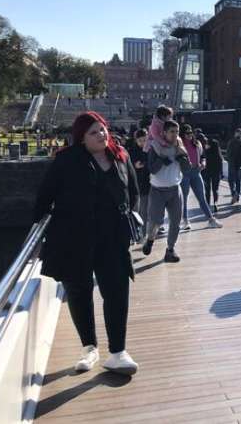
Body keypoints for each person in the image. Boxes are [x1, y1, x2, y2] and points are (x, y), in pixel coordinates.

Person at [33, 111, 140, 375]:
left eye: (102, 129)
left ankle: (117, 352)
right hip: (74, 239)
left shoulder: (121, 157)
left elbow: (134, 193)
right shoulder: (66, 161)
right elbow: (43, 198)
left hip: (113, 239)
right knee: (79, 293)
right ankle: (89, 348)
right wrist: (40, 235)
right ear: (81, 138)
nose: (101, 134)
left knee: (116, 292)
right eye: (93, 132)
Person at [143, 120, 189, 262]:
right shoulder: (155, 147)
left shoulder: (180, 146)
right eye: (172, 132)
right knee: (155, 221)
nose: (175, 135)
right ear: (164, 133)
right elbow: (152, 169)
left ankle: (170, 250)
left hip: (175, 188)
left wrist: (183, 159)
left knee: (176, 221)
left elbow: (187, 169)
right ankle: (150, 239)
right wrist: (165, 160)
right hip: (158, 189)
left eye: (177, 132)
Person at [179, 124, 222, 230]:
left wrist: (203, 163)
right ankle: (185, 221)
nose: (189, 135)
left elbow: (203, 156)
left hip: (196, 172)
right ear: (182, 134)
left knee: (201, 197)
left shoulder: (197, 143)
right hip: (184, 172)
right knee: (184, 198)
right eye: (187, 133)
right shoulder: (179, 144)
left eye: (190, 133)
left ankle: (211, 220)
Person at [128, 128, 151, 240]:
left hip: (153, 183)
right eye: (140, 140)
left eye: (145, 140)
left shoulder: (151, 150)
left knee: (152, 210)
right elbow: (133, 166)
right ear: (136, 140)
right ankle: (142, 234)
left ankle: (151, 231)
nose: (143, 143)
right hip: (140, 185)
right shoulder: (132, 151)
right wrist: (137, 165)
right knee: (142, 211)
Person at [202, 138, 224, 213]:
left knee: (207, 190)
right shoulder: (219, 155)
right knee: (215, 189)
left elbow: (203, 162)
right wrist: (221, 173)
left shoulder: (206, 152)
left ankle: (207, 204)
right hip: (216, 173)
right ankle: (215, 204)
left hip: (207, 173)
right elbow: (221, 165)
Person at [227, 128, 241, 204]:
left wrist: (229, 160)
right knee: (238, 181)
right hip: (240, 165)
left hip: (232, 164)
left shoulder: (231, 142)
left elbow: (228, 153)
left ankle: (234, 193)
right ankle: (237, 194)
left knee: (231, 180)